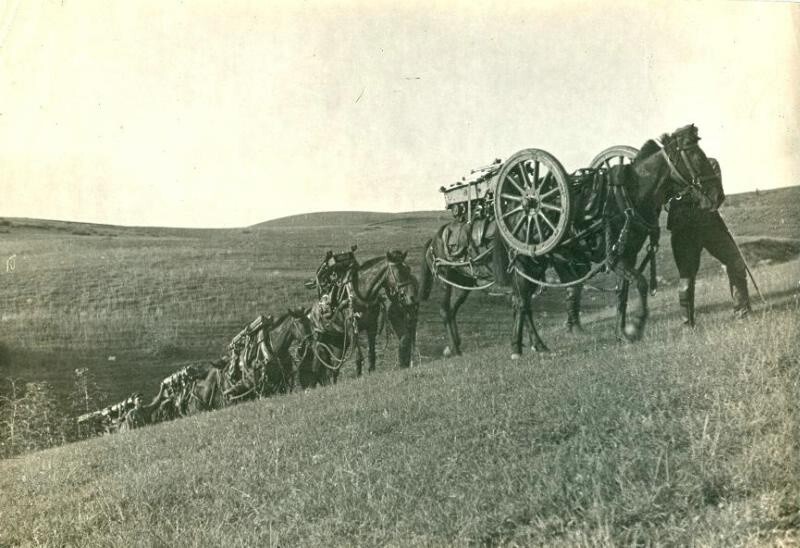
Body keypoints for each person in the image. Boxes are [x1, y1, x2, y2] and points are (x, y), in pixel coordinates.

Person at [666, 158, 751, 326]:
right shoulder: (669, 173)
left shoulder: (711, 164)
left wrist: (692, 196)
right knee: (686, 276)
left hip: (710, 226)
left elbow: (716, 198)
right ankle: (687, 325)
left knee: (736, 262)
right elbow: (663, 202)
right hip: (683, 231)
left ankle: (743, 313)